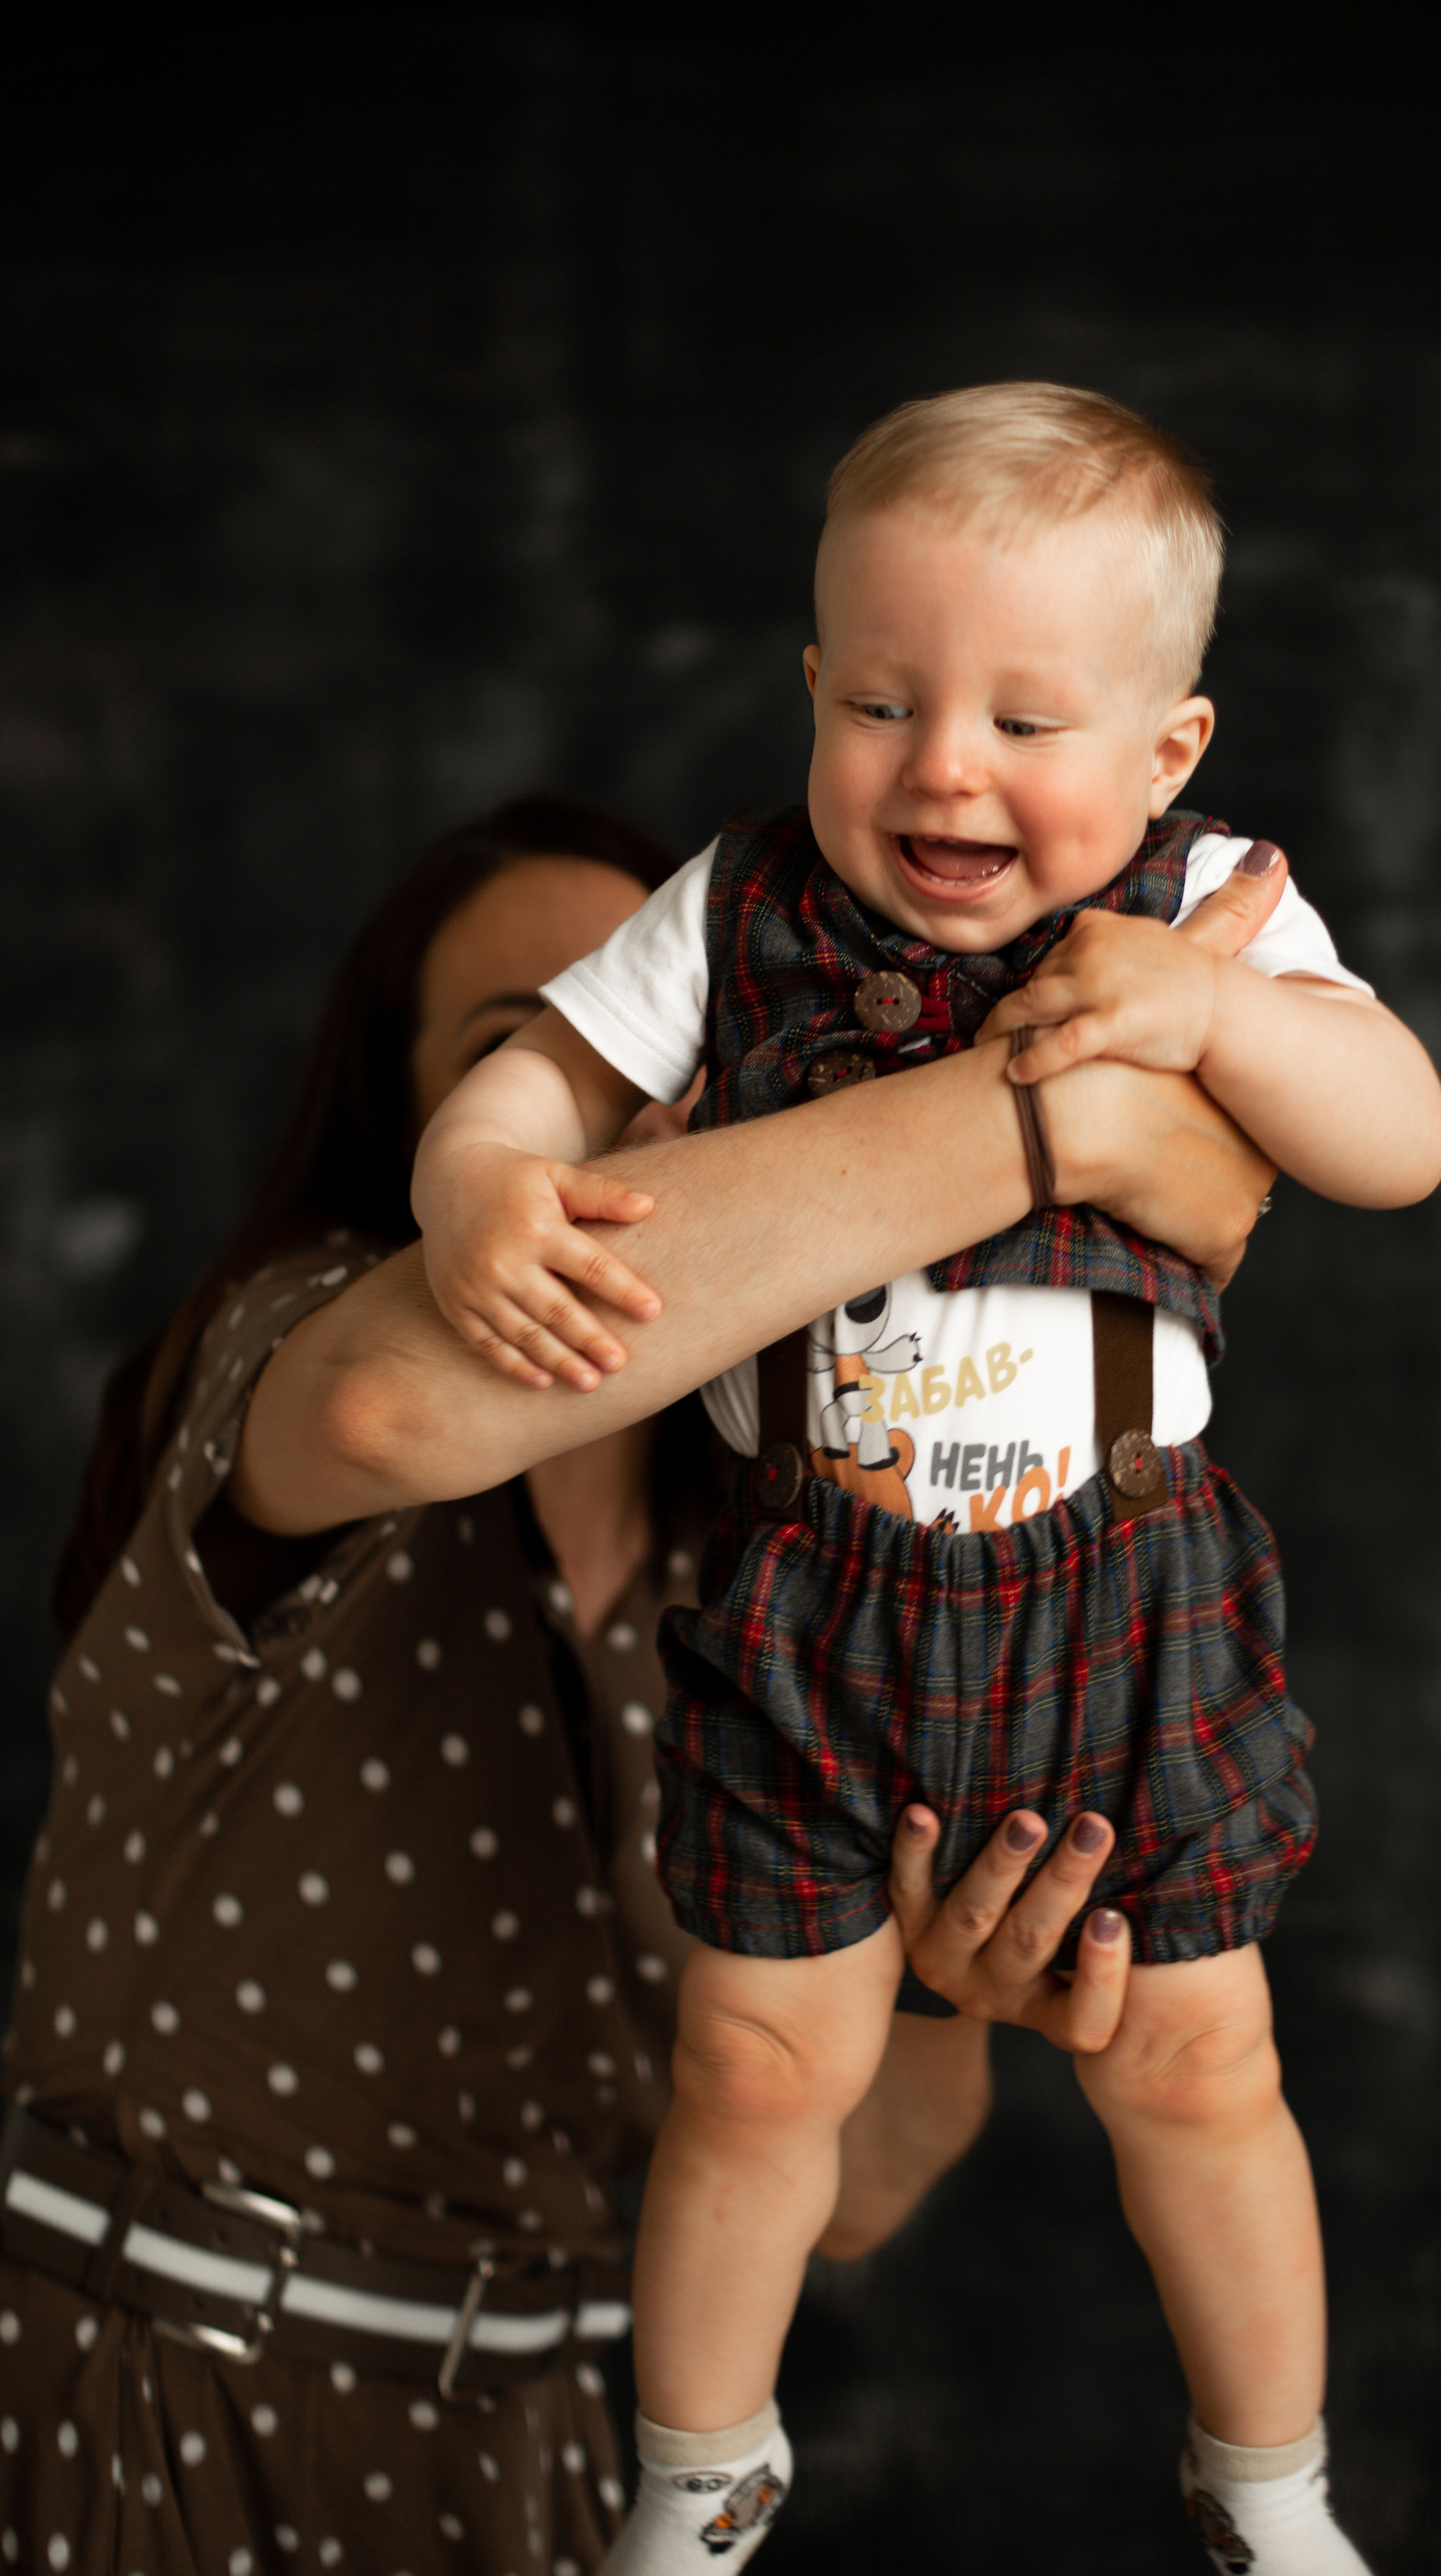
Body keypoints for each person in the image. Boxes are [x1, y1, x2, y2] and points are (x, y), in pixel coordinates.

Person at [411, 387, 1441, 2576]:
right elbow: (540, 1077)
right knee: (755, 2077)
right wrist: (491, 1192)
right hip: (808, 1602)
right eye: (878, 699)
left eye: (1023, 718)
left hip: (1117, 1601)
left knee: (1195, 2064)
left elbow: (1399, 1137)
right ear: (809, 688)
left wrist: (1217, 1019)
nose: (941, 765)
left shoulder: (1216, 916)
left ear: (1169, 752)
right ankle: (703, 2469)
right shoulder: (733, 909)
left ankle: (1270, 2489)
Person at [0, 793, 1276, 2571]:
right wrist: (1076, 1120)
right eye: (530, 1054)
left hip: (531, 2449)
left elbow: (868, 2194)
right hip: (138, 2393)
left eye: (656, 1036)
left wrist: (940, 1983)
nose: (629, 1103)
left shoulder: (784, 1537)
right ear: (416, 1115)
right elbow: (397, 1404)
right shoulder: (301, 1339)